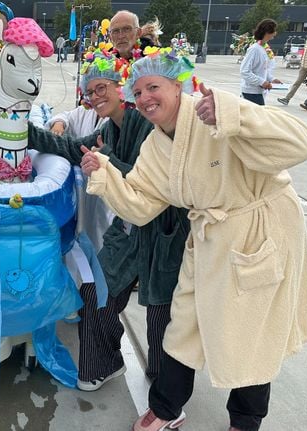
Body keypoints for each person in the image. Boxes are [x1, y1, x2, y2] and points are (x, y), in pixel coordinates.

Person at [81, 47, 307, 431]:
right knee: (182, 325)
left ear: (178, 85)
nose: (144, 98)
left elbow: (299, 144)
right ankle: (167, 408)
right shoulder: (155, 146)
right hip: (207, 237)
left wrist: (237, 117)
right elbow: (140, 205)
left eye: (153, 86)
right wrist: (105, 174)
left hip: (258, 230)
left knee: (250, 332)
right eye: (137, 92)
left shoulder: (216, 111)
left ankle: (246, 420)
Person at [28, 46, 189, 389]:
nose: (96, 95)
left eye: (103, 87)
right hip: (129, 228)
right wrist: (23, 130)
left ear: (122, 88)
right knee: (96, 292)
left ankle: (166, 385)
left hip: (165, 233)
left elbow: (155, 183)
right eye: (90, 91)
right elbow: (75, 148)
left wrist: (107, 163)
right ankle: (106, 362)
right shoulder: (110, 130)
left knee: (163, 312)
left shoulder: (148, 126)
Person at [277, 24, 307, 106]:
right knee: (297, 83)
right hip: (304, 65)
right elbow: (305, 51)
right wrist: (302, 60)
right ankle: (287, 99)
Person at [239, 18, 281, 105]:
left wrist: (272, 79)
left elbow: (262, 70)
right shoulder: (254, 49)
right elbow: (244, 71)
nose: (275, 33)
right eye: (274, 30)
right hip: (251, 92)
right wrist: (262, 82)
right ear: (268, 32)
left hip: (259, 92)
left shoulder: (264, 48)